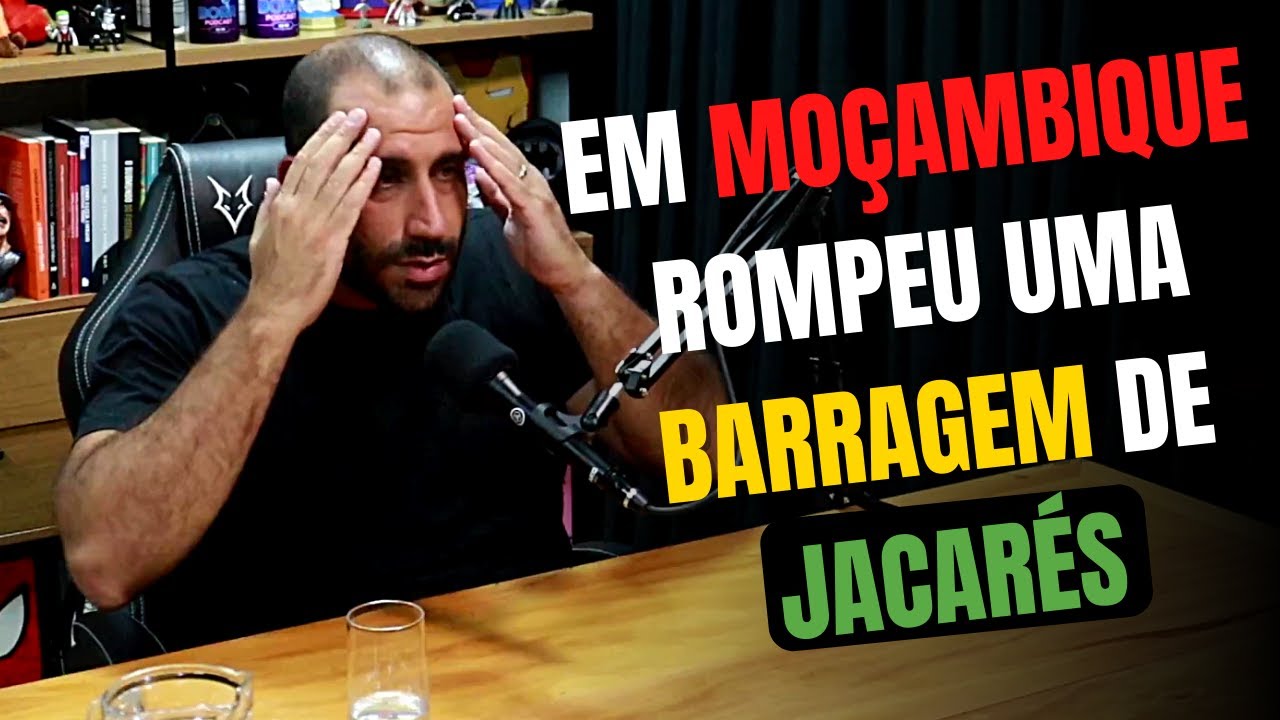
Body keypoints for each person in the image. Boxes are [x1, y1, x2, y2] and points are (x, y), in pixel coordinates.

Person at [53, 33, 726, 651]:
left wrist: (575, 276)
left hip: (518, 658)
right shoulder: (189, 308)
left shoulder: (510, 265)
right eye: (386, 177)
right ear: (304, 185)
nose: (432, 222)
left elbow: (704, 451)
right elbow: (105, 566)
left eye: (449, 171)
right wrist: (271, 314)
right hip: (298, 683)